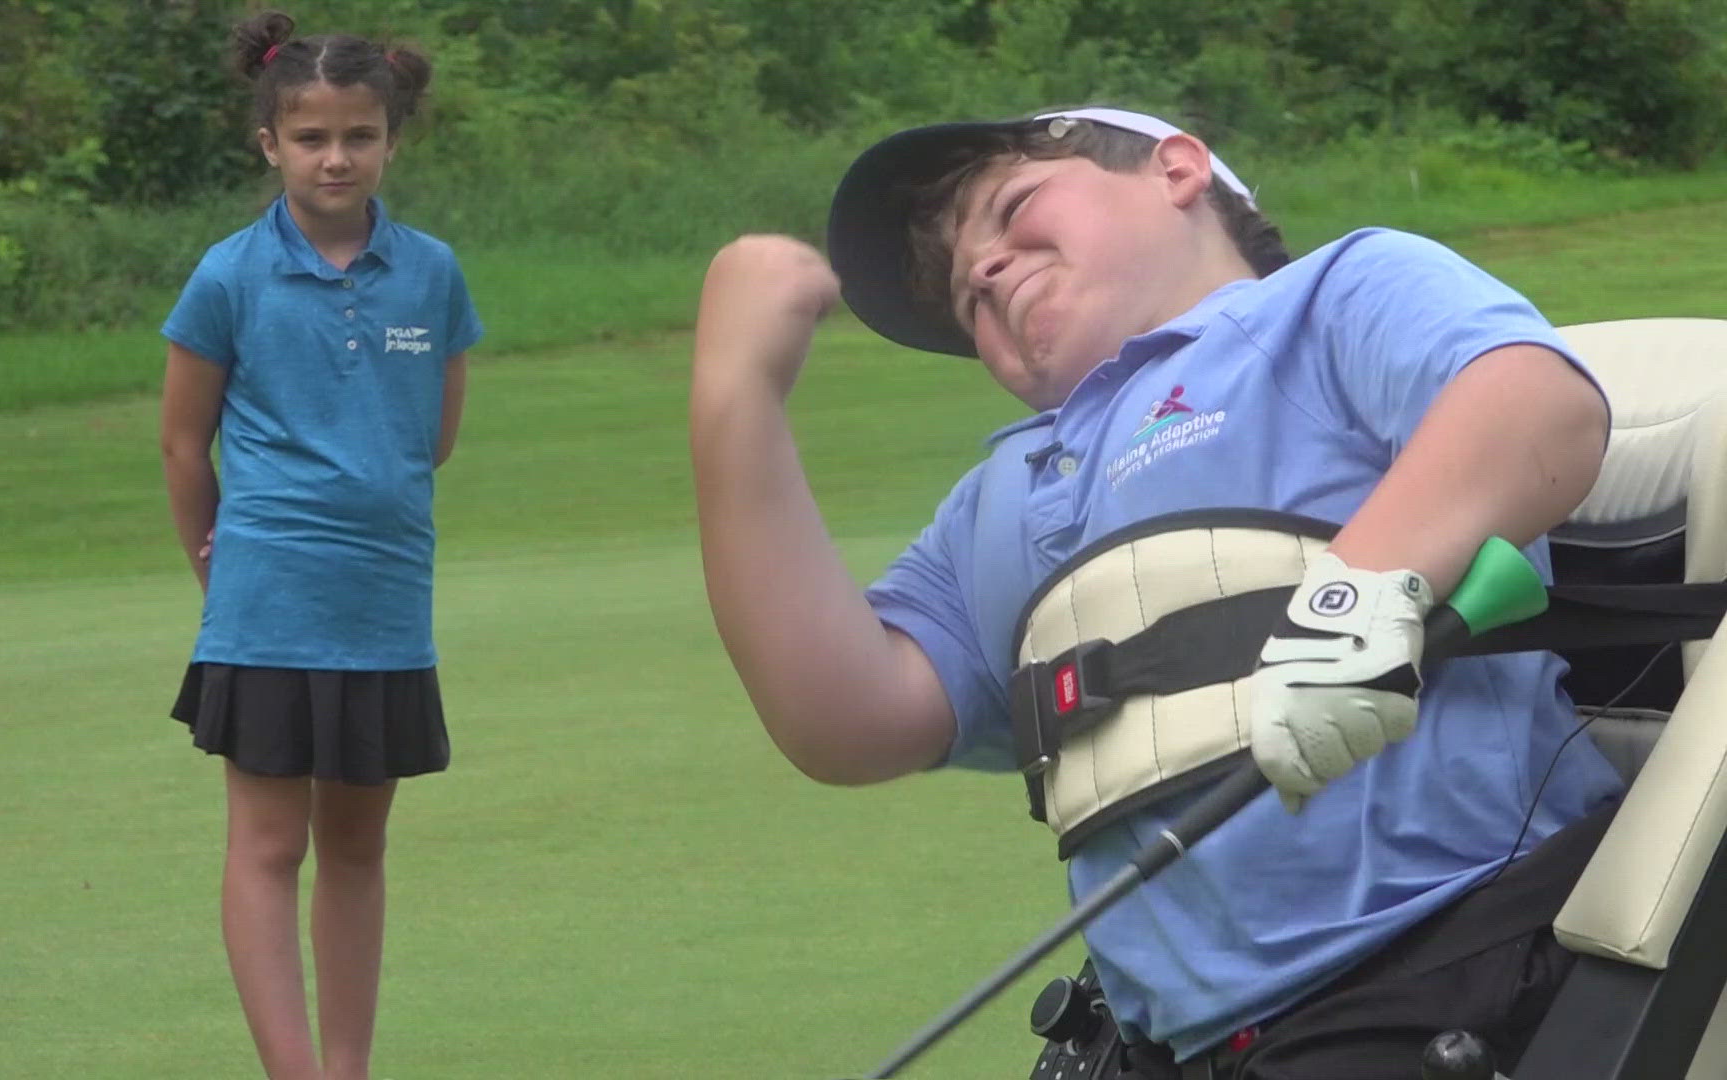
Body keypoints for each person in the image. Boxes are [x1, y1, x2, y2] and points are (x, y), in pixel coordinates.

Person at [688, 104, 1622, 1078]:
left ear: (1177, 169)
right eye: (968, 297)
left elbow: (1535, 403)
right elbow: (851, 718)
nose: (988, 270)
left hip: (1449, 956)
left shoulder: (1327, 299)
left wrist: (1354, 601)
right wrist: (734, 406)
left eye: (1013, 210)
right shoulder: (995, 500)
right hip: (1169, 1045)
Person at [158, 11, 480, 1079]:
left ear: (391, 140)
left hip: (384, 605)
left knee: (355, 845)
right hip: (267, 595)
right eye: (311, 138)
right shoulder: (228, 276)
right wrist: (217, 562)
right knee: (267, 845)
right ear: (269, 143)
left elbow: (431, 438)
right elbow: (180, 442)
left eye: (358, 135)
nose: (335, 156)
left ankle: (348, 1069)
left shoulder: (431, 273)